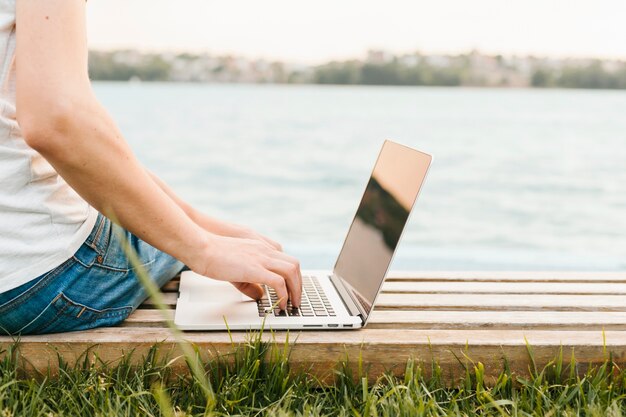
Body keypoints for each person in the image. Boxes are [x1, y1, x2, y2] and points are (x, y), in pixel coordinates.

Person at [0, 0, 302, 335]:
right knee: (173, 241)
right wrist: (204, 248)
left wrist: (201, 225)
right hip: (33, 277)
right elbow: (57, 119)